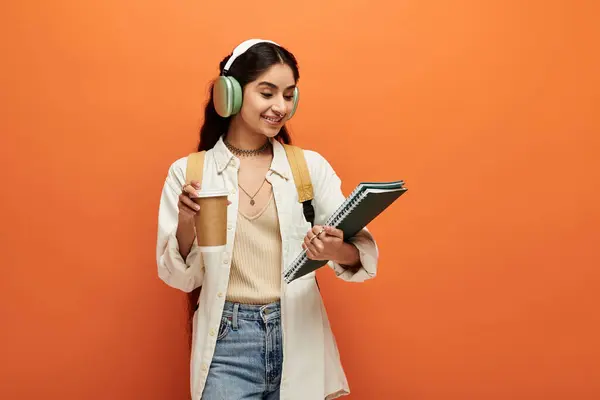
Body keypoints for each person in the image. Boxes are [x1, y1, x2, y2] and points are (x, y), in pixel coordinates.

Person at [156, 39, 379, 400]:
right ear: (229, 94)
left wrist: (337, 250)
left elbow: (360, 259)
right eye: (267, 93)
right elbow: (181, 278)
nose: (280, 107)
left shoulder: (308, 167)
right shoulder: (190, 172)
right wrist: (185, 221)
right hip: (227, 344)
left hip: (298, 331)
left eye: (289, 95)